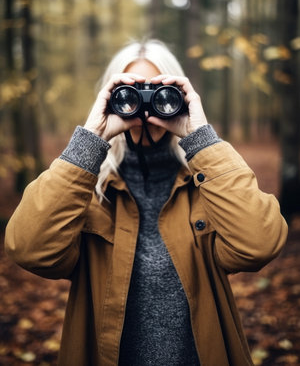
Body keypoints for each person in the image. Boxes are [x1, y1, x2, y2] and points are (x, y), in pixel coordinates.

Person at [5, 39, 288, 366]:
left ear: (181, 96)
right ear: (109, 99)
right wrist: (90, 142)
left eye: (159, 91)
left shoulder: (207, 187)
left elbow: (260, 244)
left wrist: (201, 139)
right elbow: (27, 248)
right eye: (130, 91)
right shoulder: (88, 193)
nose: (145, 105)